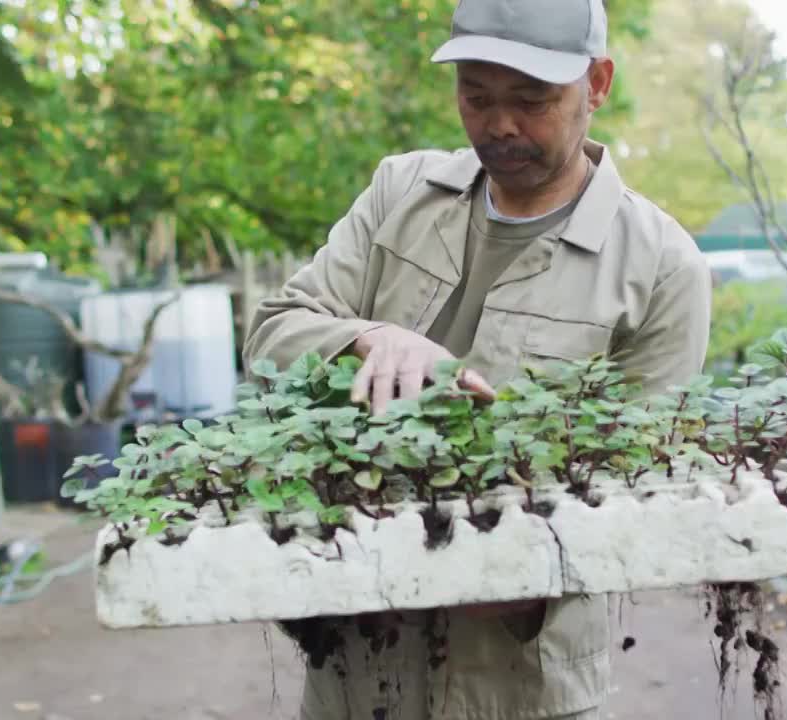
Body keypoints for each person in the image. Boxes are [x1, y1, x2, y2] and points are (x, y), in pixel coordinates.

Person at [242, 0, 712, 717]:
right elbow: (274, 332)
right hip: (355, 666)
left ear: (598, 83)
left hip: (524, 685)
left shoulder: (660, 265)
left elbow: (641, 489)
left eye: (532, 100)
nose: (500, 125)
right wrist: (370, 337)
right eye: (476, 95)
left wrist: (528, 553)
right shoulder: (401, 192)